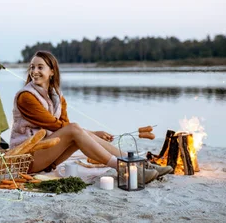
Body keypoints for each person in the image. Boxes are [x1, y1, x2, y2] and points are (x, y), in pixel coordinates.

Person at [10, 51, 172, 183]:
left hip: (47, 157)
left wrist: (90, 134)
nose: (34, 71)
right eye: (32, 67)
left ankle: (140, 164)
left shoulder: (57, 97)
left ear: (52, 72)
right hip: (26, 160)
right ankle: (125, 167)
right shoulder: (26, 97)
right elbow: (56, 126)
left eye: (40, 67)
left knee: (76, 131)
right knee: (75, 129)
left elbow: (64, 125)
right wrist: (93, 133)